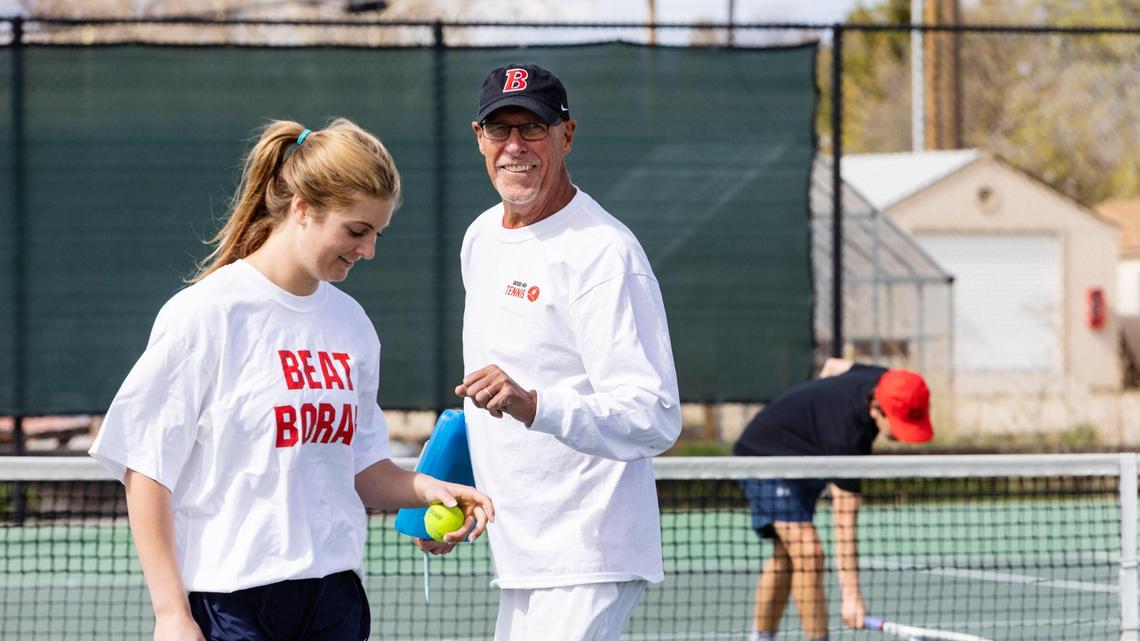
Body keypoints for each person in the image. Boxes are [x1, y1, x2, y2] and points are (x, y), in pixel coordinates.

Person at [89, 118, 494, 641]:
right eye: (356, 231)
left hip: (335, 600)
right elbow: (146, 469)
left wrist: (428, 489)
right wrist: (171, 614)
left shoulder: (352, 324)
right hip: (231, 603)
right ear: (302, 207)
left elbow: (363, 468)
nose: (368, 250)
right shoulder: (206, 314)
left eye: (377, 234)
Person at [415, 63, 682, 641]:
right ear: (479, 138)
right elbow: (489, 401)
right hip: (518, 557)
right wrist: (455, 488)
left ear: (566, 135)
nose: (515, 146)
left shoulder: (606, 254)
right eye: (499, 128)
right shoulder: (481, 238)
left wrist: (535, 404)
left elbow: (654, 415)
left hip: (590, 556)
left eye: (533, 127)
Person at [733, 357, 935, 641]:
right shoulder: (847, 437)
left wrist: (817, 409)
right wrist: (851, 597)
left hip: (807, 459)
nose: (904, 434)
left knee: (787, 556)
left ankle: (760, 637)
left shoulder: (886, 381)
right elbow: (844, 521)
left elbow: (832, 365)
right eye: (899, 422)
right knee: (809, 553)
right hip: (764, 456)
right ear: (876, 409)